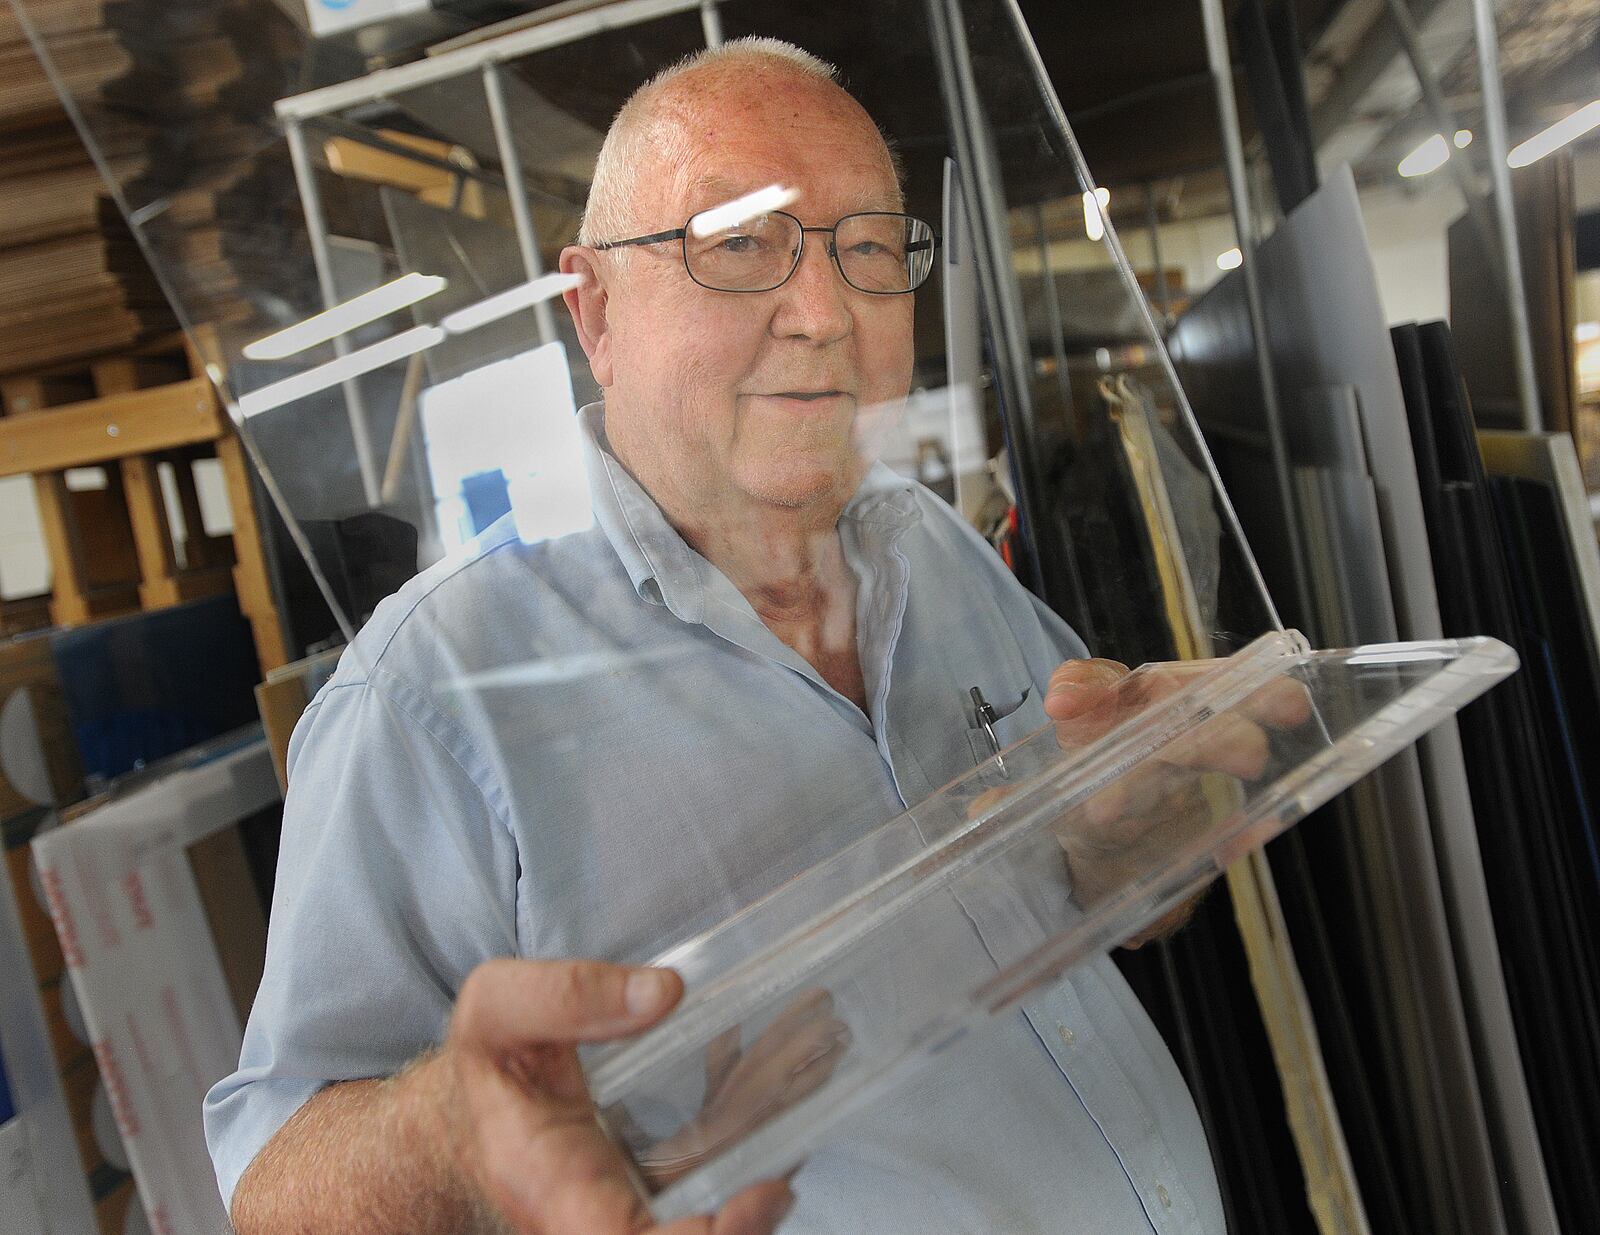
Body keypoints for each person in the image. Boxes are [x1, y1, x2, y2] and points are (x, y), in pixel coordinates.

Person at [205, 37, 1265, 1235]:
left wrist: (1124, 840)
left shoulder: (931, 543)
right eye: (740, 243)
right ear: (594, 315)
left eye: (869, 248)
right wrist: (451, 1137)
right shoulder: (437, 690)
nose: (823, 312)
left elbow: (1078, 885)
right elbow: (270, 1181)